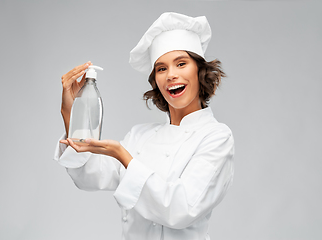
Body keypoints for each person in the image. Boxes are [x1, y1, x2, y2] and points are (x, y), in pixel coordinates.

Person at [54, 12, 234, 240]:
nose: (171, 75)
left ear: (200, 71)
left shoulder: (216, 137)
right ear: (156, 82)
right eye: (161, 68)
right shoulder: (140, 135)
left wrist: (123, 156)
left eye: (181, 64)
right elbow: (87, 175)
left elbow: (181, 209)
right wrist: (70, 113)